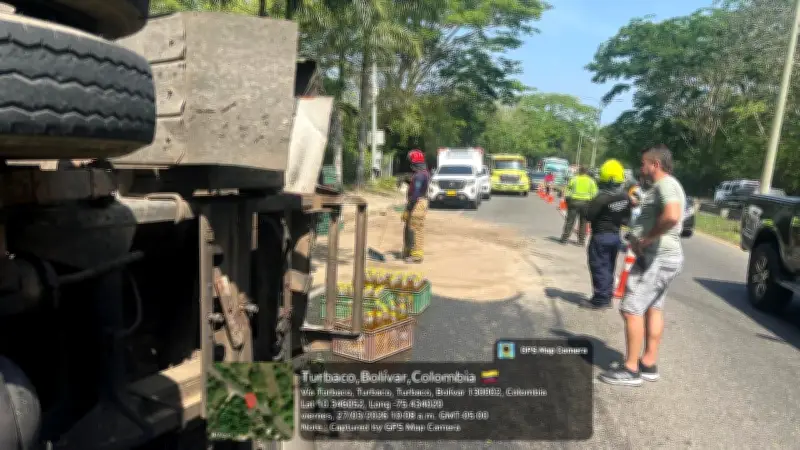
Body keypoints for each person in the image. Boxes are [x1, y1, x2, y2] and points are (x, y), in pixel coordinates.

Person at [599, 144, 686, 387]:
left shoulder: (666, 185)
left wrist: (648, 239)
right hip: (663, 257)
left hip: (657, 257)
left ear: (655, 165)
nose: (641, 168)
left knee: (630, 309)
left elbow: (671, 215)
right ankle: (648, 363)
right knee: (653, 308)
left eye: (644, 164)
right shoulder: (661, 187)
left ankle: (631, 368)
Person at [584, 159, 631, 309]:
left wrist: (585, 205)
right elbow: (626, 219)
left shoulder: (602, 197)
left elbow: (588, 215)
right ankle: (607, 295)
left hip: (601, 236)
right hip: (615, 236)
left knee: (598, 266)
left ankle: (601, 299)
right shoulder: (624, 196)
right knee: (609, 267)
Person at [401, 149, 430, 263]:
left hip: (417, 204)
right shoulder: (424, 173)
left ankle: (417, 256)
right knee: (408, 227)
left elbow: (416, 193)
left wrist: (408, 209)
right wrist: (408, 181)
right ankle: (408, 251)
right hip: (417, 202)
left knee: (416, 229)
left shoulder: (419, 176)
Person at [560, 166, 597, 245]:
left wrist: (567, 201)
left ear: (579, 171)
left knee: (570, 221)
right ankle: (581, 241)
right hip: (586, 203)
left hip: (574, 202)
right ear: (587, 172)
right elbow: (594, 194)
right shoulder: (591, 181)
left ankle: (564, 239)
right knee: (583, 222)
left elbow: (568, 191)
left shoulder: (574, 179)